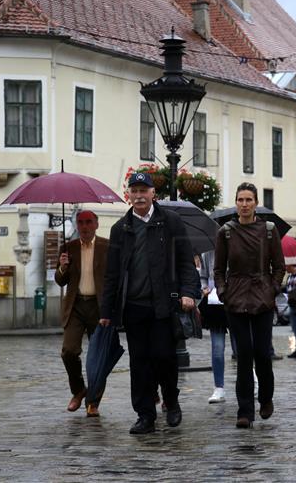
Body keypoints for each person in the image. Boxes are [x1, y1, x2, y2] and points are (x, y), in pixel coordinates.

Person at [99, 172, 200, 435]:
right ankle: (145, 415)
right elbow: (112, 274)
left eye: (144, 190)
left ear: (154, 193)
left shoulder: (170, 222)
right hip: (133, 307)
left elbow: (186, 262)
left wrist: (189, 292)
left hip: (163, 304)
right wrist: (106, 311)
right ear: (128, 195)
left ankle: (171, 400)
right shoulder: (120, 228)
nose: (139, 195)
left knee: (165, 357)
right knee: (140, 363)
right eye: (135, 191)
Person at [214, 182, 285, 429]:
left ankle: (266, 397)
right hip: (236, 298)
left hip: (262, 297)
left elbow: (279, 267)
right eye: (240, 200)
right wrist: (224, 292)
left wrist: (273, 288)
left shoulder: (268, 230)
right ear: (236, 203)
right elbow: (219, 269)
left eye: (249, 200)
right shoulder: (226, 232)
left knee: (262, 353)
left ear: (256, 203)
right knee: (243, 354)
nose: (244, 204)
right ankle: (244, 410)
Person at [54, 210, 108, 418]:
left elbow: (114, 277)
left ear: (96, 224)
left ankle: (93, 402)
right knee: (69, 351)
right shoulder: (69, 248)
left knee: (98, 358)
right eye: (80, 223)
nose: (84, 226)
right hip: (75, 307)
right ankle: (78, 390)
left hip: (98, 307)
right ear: (76, 225)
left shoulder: (107, 246)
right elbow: (60, 280)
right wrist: (63, 267)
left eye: (88, 222)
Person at [197, 251, 227, 403]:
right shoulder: (207, 253)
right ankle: (219, 388)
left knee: (241, 348)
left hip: (235, 301)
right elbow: (203, 275)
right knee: (217, 349)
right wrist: (204, 288)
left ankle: (251, 379)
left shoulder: (236, 243)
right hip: (215, 303)